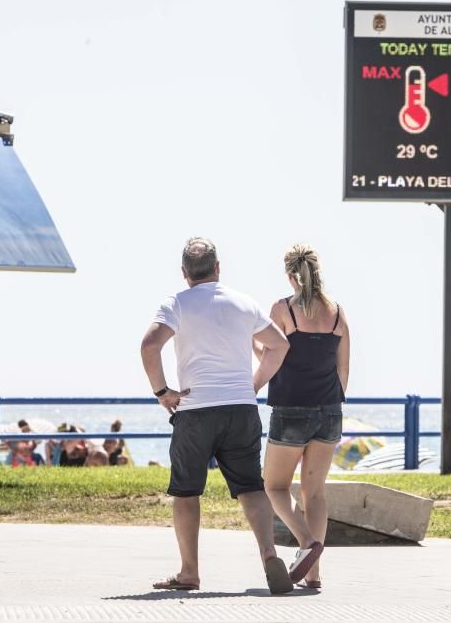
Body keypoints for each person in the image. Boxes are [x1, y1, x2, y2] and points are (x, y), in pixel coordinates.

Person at [140, 237, 294, 594]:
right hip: (240, 409)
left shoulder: (177, 303)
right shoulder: (243, 302)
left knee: (187, 492)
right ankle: (269, 554)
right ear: (218, 268)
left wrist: (163, 392)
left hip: (195, 410)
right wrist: (253, 385)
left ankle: (189, 572)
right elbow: (280, 345)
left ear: (184, 274)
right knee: (251, 487)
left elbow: (149, 345)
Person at [261, 244, 349, 590]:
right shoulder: (339, 313)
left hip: (290, 408)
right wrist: (330, 401)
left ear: (289, 275)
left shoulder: (283, 309)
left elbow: (272, 358)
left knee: (275, 486)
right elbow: (343, 369)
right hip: (329, 410)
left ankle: (306, 543)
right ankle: (313, 574)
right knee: (315, 492)